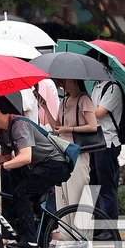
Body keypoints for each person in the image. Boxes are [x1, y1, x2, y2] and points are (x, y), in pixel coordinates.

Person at [0, 94, 73, 248]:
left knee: (21, 193)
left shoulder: (18, 124)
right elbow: (7, 160)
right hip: (39, 166)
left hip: (54, 164)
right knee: (20, 195)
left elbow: (26, 156)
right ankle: (37, 246)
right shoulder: (2, 132)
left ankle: (30, 243)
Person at [37, 78, 97, 210]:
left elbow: (93, 126)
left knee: (77, 194)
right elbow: (57, 128)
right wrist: (45, 107)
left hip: (78, 152)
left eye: (65, 80)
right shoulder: (64, 101)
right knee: (63, 195)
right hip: (64, 152)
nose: (62, 83)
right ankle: (65, 229)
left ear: (75, 80)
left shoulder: (84, 100)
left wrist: (69, 129)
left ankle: (80, 230)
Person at [90, 78, 125, 223]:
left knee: (106, 187)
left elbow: (100, 112)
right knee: (94, 186)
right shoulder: (96, 86)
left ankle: (109, 227)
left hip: (108, 142)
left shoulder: (113, 88)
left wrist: (85, 109)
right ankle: (98, 227)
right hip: (95, 142)